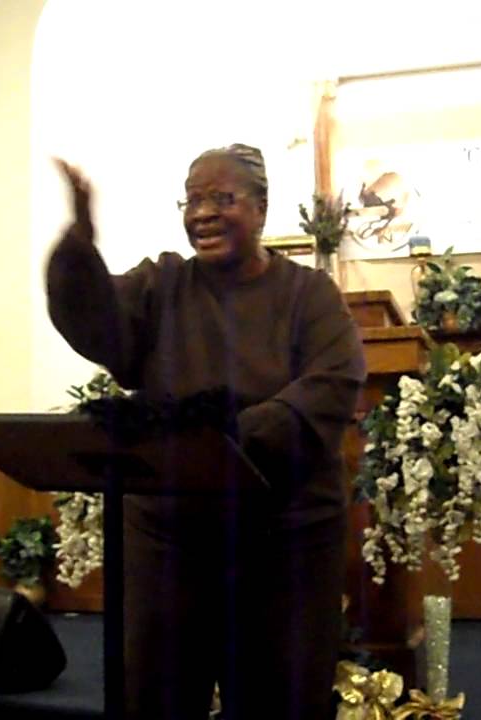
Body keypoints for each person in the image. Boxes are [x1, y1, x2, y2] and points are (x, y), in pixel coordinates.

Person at [47, 144, 366, 719]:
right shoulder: (163, 283)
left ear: (261, 209)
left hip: (285, 538)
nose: (203, 213)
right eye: (192, 200)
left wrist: (220, 440)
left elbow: (332, 383)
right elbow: (96, 322)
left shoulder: (308, 294)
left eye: (222, 198)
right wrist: (79, 240)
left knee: (281, 702)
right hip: (169, 538)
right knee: (157, 700)